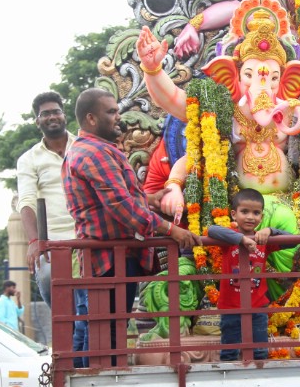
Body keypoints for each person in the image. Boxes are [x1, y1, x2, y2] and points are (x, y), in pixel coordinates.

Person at [63, 88, 200, 364]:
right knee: (107, 335)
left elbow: (114, 201)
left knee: (105, 330)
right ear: (91, 118)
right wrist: (172, 230)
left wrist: (148, 198)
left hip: (110, 259)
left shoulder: (92, 149)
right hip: (109, 261)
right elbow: (122, 208)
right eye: (111, 112)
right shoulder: (95, 153)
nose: (119, 117)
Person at [207, 188, 292, 361]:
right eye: (244, 212)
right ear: (234, 214)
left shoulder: (263, 240)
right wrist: (241, 239)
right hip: (231, 306)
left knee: (260, 351)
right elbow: (211, 230)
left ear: (261, 216)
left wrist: (270, 231)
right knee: (230, 352)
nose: (250, 217)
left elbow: (291, 239)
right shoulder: (228, 239)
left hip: (257, 306)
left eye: (256, 213)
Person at [17, 92, 78, 308]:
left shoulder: (83, 146)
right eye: (45, 114)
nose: (51, 117)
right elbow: (26, 201)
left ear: (64, 116)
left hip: (88, 236)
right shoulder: (29, 159)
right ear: (37, 121)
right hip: (52, 242)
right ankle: (69, 337)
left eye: (56, 112)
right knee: (47, 277)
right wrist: (35, 242)